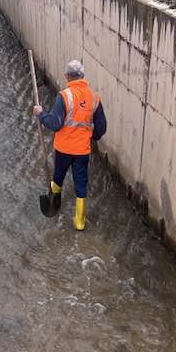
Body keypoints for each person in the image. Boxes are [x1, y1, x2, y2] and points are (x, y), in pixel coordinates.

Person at [32, 60, 107, 231]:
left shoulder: (64, 96)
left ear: (67, 77)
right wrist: (91, 136)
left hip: (64, 149)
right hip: (82, 150)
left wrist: (41, 114)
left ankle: (55, 201)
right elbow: (101, 127)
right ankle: (79, 222)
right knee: (81, 183)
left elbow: (55, 124)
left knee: (58, 176)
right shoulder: (94, 97)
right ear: (83, 76)